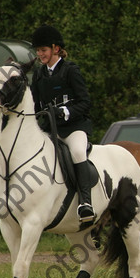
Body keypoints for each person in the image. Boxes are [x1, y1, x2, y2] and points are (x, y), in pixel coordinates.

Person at [30, 25, 94, 223]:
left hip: (73, 127)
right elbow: (34, 103)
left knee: (77, 152)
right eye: (38, 51)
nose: (40, 54)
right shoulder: (39, 75)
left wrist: (65, 111)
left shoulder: (70, 71)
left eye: (44, 50)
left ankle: (86, 202)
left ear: (55, 49)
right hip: (51, 129)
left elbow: (85, 102)